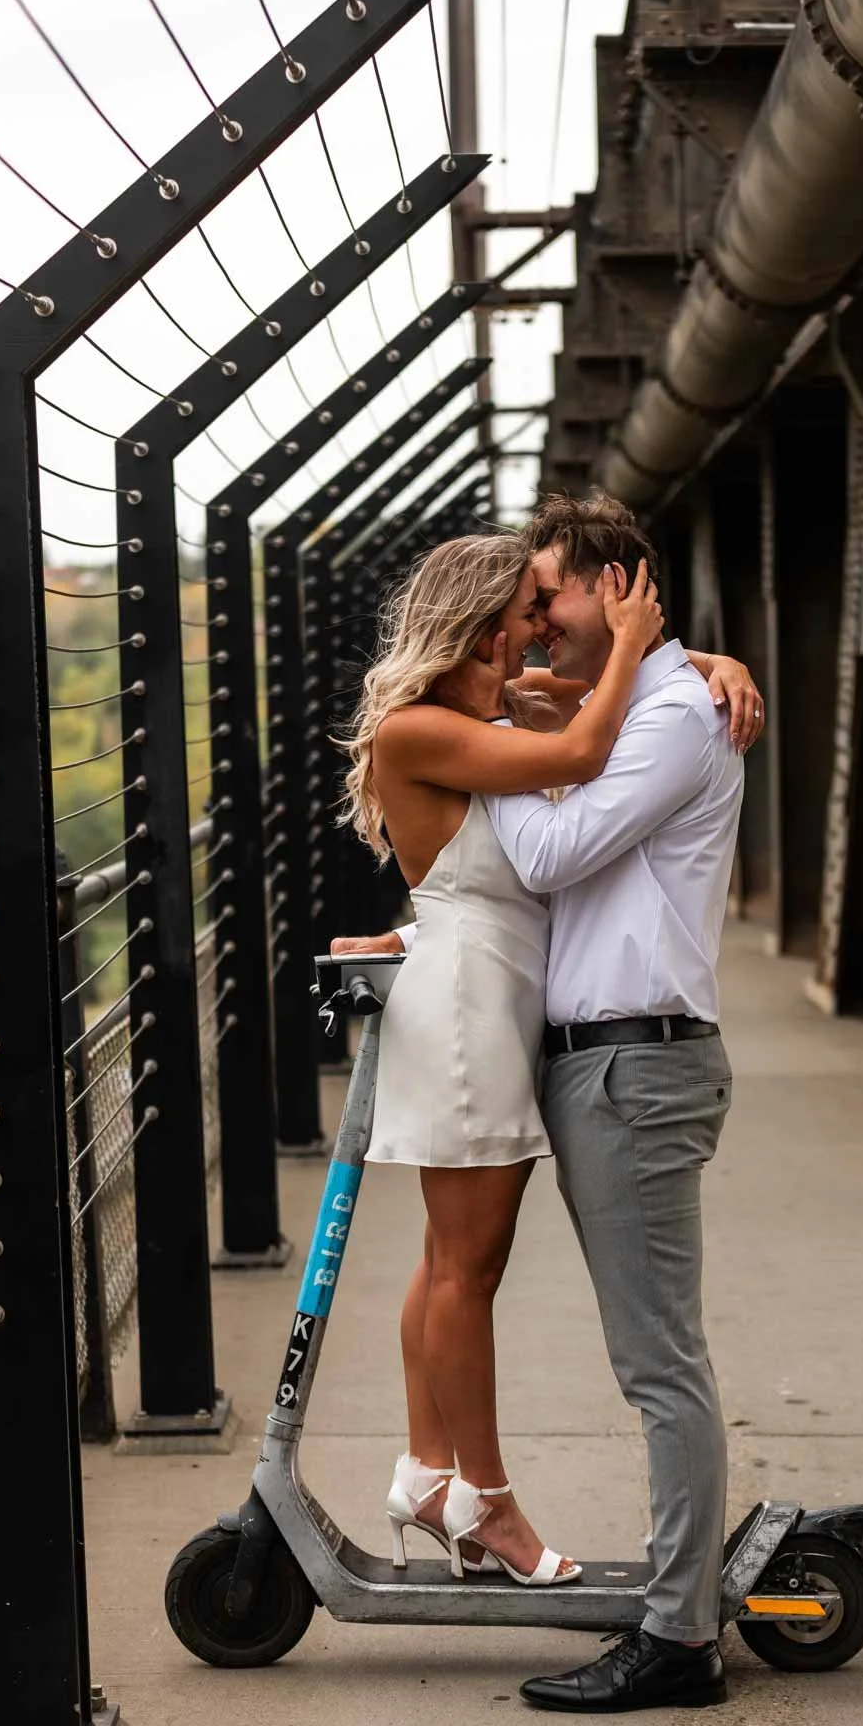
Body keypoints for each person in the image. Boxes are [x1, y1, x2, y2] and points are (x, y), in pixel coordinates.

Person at [338, 530, 761, 1592]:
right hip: (475, 1006)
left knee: (449, 1261)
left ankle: (431, 1474)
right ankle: (484, 1502)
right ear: (486, 617)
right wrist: (634, 648)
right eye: (530, 604)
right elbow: (576, 759)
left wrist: (700, 663)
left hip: (487, 994)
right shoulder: (425, 726)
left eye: (549, 598)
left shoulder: (479, 713)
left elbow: (585, 727)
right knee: (465, 1268)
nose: (540, 621)